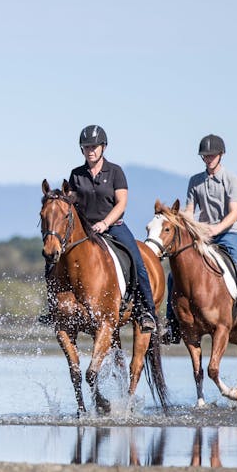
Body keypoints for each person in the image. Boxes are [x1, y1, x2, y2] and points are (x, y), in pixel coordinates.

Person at [40, 124, 158, 331]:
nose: (91, 150)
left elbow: (121, 203)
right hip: (85, 230)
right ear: (82, 150)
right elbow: (71, 204)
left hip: (113, 226)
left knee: (137, 260)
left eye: (94, 146)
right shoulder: (76, 174)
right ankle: (54, 309)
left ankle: (146, 311)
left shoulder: (115, 172)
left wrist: (105, 223)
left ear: (103, 147)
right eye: (86, 147)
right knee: (52, 261)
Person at [169, 133, 237, 341]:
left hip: (229, 233)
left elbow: (234, 213)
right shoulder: (195, 181)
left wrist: (216, 229)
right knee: (174, 273)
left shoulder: (231, 179)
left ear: (221, 155)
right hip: (204, 236)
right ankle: (173, 325)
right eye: (205, 155)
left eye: (212, 155)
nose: (209, 158)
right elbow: (189, 210)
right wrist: (176, 217)